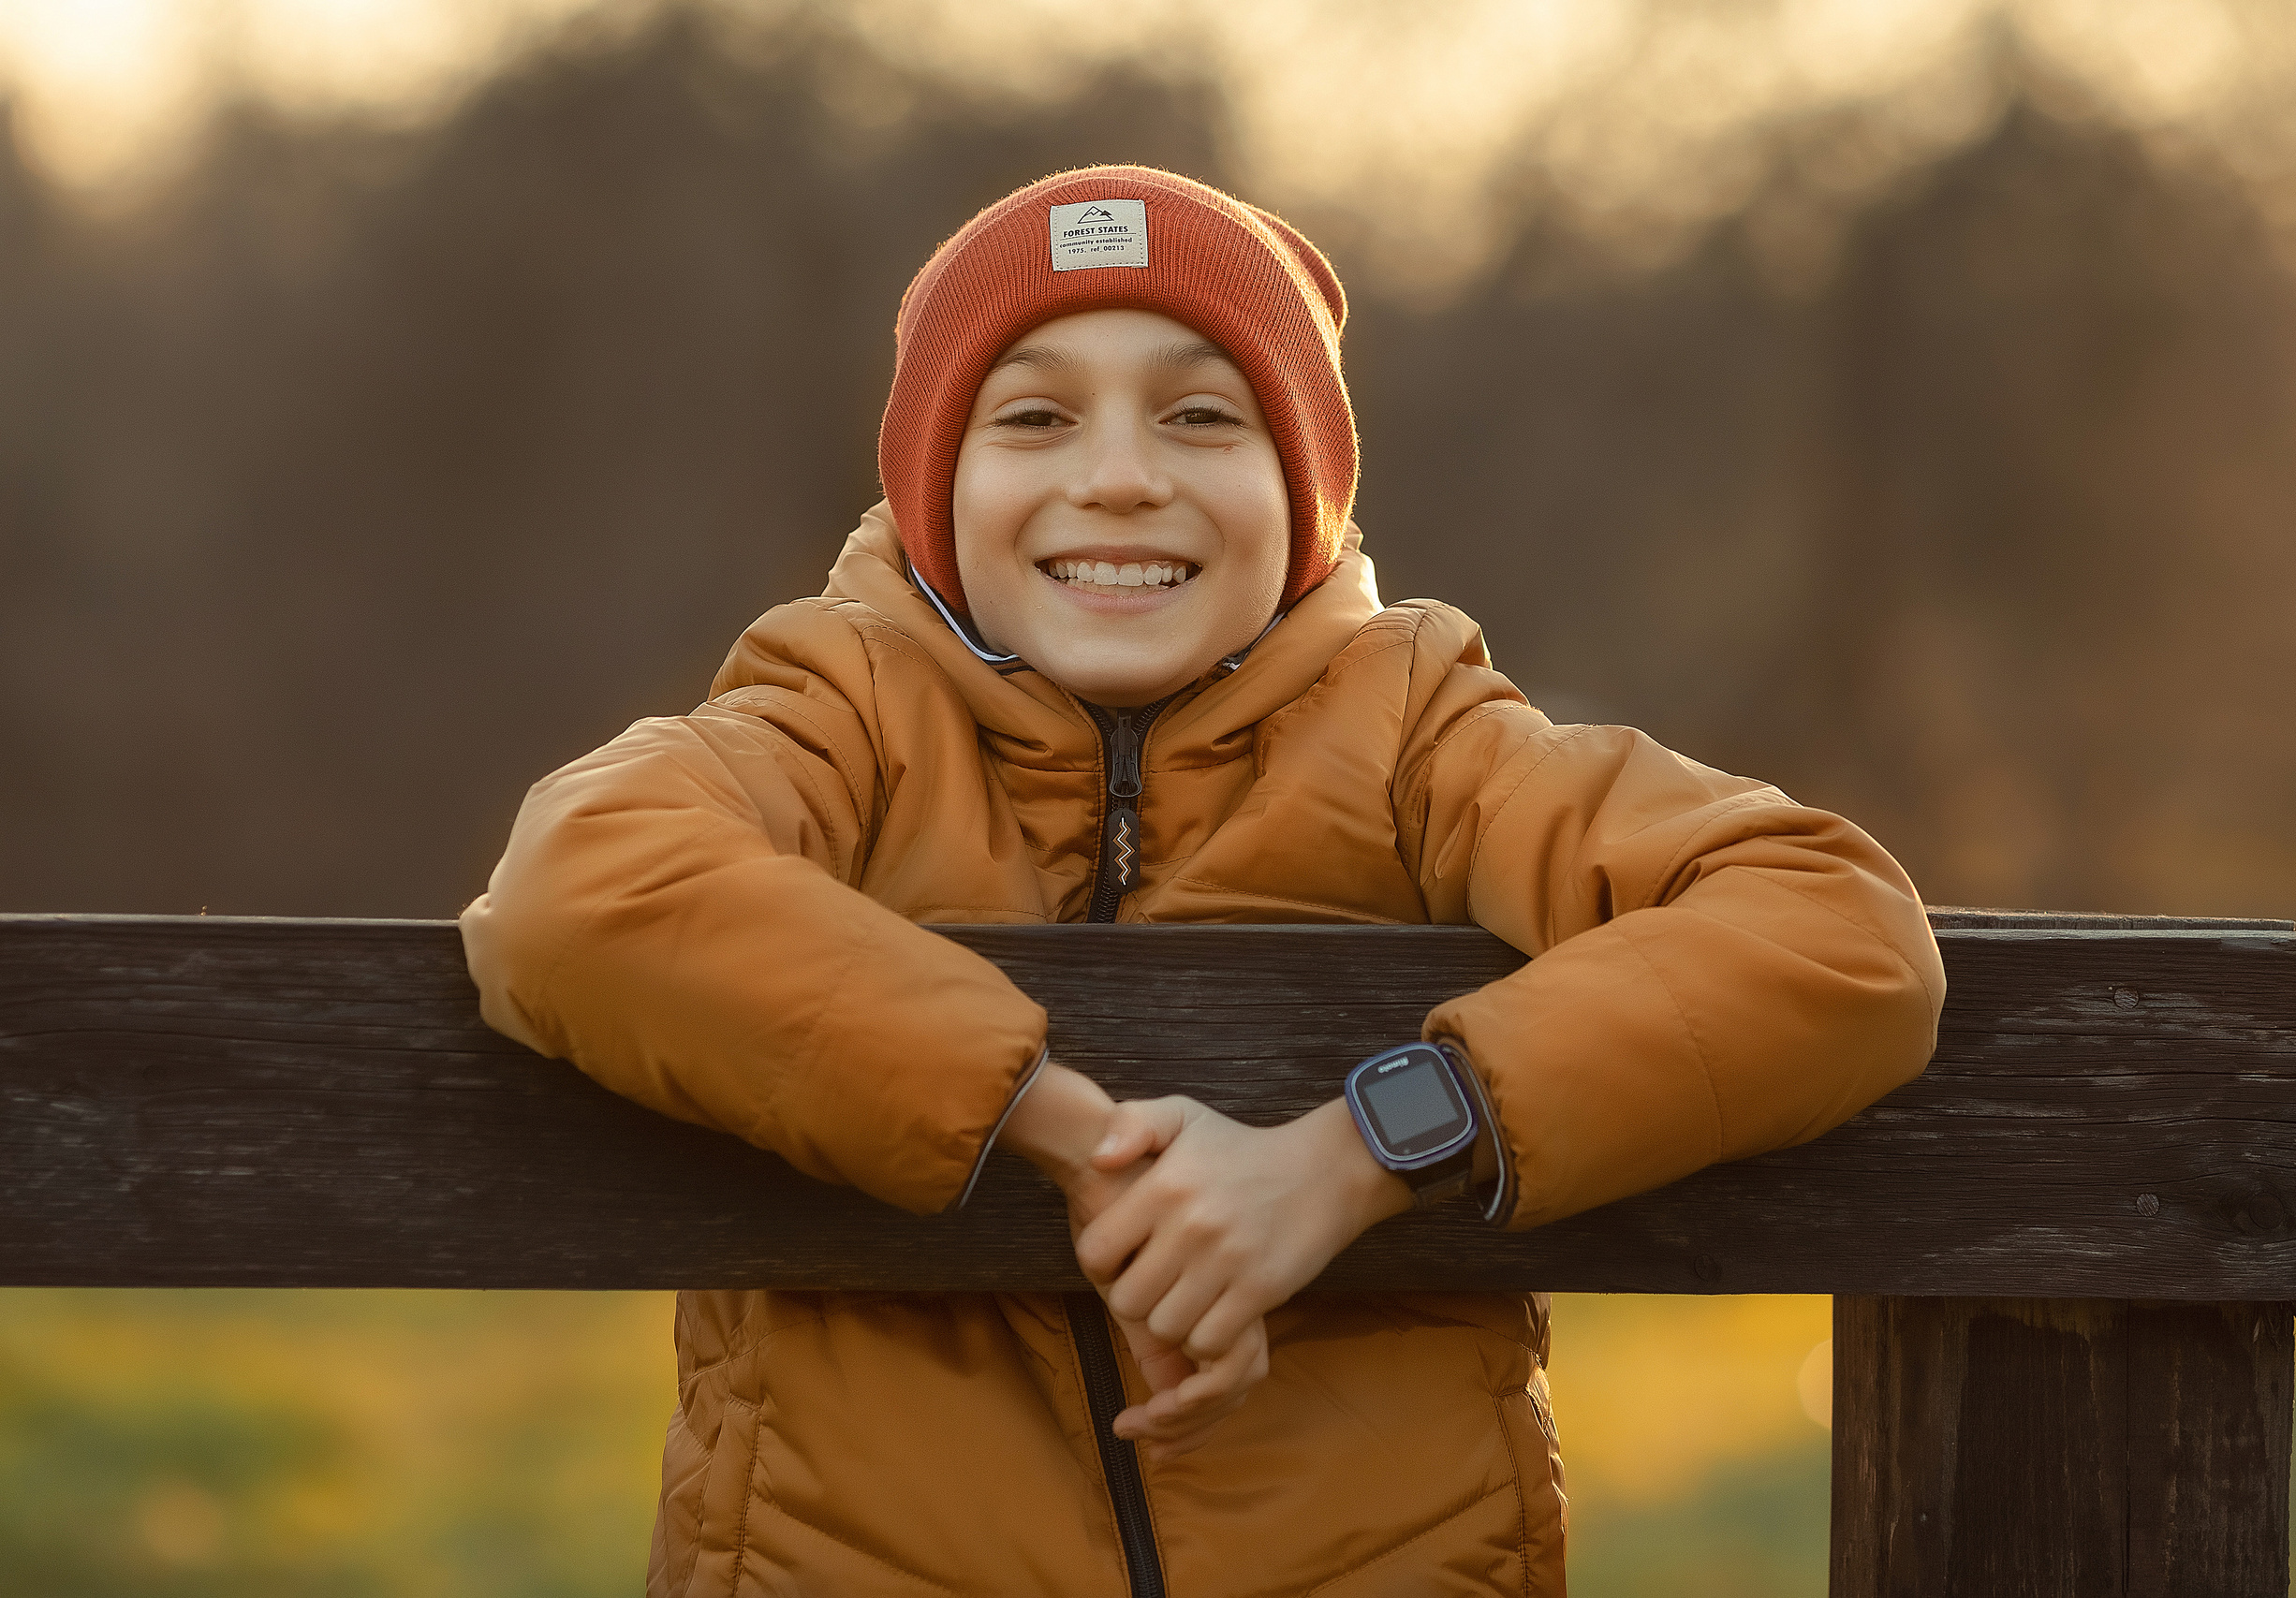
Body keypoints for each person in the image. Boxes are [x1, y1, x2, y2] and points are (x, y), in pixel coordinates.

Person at [462, 165, 1944, 1597]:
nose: (1120, 477)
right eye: (1033, 416)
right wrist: (1068, 1133)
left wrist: (1352, 1159)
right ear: (936, 485)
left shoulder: (1419, 732)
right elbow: (577, 886)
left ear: (1304, 487)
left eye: (1201, 415)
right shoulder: (845, 709)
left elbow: (1837, 931)